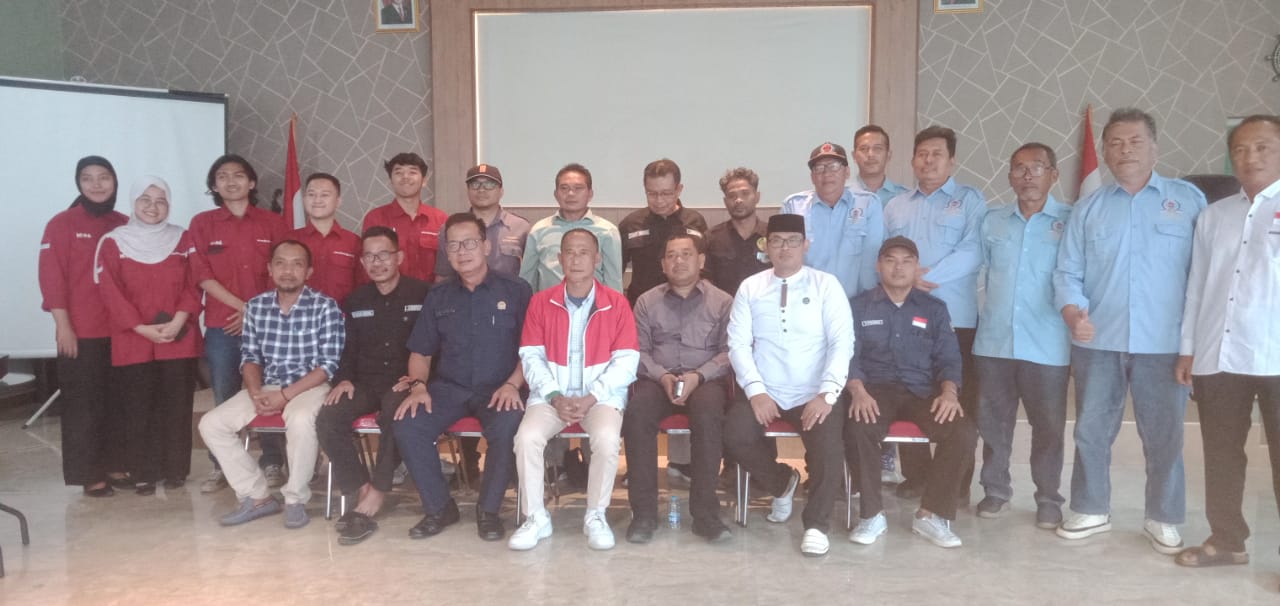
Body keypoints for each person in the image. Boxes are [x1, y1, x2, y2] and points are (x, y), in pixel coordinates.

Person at [1053, 107, 1206, 554]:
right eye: (1115, 143)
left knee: (1164, 436)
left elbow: (1204, 275)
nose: (1125, 150)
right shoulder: (1089, 207)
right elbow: (1067, 272)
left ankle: (1163, 517)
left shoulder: (1188, 201)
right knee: (1091, 430)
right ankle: (1090, 508)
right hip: (1099, 340)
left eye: (1135, 141)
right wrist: (1074, 315)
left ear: (1154, 147)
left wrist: (1194, 343)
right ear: (1104, 152)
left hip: (1165, 343)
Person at [1175, 114, 1280, 568]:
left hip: (1275, 354)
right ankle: (1227, 540)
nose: (1250, 156)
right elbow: (1197, 285)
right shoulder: (1214, 216)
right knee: (1220, 455)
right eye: (1240, 148)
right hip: (1220, 353)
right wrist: (1187, 347)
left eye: (1262, 147)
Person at [392, 213, 532, 542]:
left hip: (501, 387)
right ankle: (440, 507)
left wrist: (513, 384)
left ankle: (489, 510)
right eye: (453, 245)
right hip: (449, 388)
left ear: (486, 246)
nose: (462, 251)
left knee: (508, 425)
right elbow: (420, 352)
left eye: (469, 243)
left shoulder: (516, 290)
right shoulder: (438, 295)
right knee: (408, 424)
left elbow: (532, 350)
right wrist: (418, 387)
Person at [723, 214, 854, 557]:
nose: (784, 248)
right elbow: (738, 344)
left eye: (793, 241)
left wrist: (827, 394)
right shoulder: (751, 287)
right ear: (765, 246)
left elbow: (842, 342)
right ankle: (782, 482)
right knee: (734, 435)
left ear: (805, 245)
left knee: (828, 449)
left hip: (814, 391)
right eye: (776, 241)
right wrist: (756, 391)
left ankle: (816, 525)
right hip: (766, 389)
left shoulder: (826, 285)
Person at [198, 240, 345, 530]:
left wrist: (285, 396)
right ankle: (257, 496)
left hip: (310, 387)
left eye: (296, 264)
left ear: (309, 271)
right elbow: (251, 357)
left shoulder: (325, 307)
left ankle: (295, 499)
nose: (288, 271)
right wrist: (255, 392)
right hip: (267, 386)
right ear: (270, 268)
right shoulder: (256, 306)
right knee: (211, 424)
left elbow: (328, 366)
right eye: (281, 263)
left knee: (300, 419)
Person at [508, 228, 638, 551]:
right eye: (569, 252)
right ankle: (535, 517)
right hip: (552, 397)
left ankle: (596, 515)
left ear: (597, 259)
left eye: (584, 253)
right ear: (559, 258)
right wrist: (555, 396)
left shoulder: (617, 304)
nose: (576, 259)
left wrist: (593, 396)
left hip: (600, 398)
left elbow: (626, 362)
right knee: (526, 438)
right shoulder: (541, 302)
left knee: (607, 439)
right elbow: (531, 357)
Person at [845, 236, 976, 548]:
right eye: (891, 260)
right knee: (857, 427)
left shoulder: (934, 309)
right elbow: (847, 355)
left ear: (917, 267)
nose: (898, 267)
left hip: (921, 392)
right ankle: (871, 515)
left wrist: (949, 393)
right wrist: (858, 391)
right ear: (878, 266)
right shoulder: (858, 306)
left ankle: (931, 514)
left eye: (907, 261)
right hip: (875, 391)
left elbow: (949, 358)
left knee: (963, 431)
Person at [883, 126, 986, 502]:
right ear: (912, 160)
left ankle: (956, 484)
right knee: (909, 393)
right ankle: (917, 476)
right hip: (904, 318)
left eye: (937, 154)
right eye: (922, 154)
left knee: (957, 400)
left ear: (951, 160)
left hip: (956, 319)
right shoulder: (896, 205)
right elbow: (884, 253)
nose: (928, 160)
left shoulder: (970, 200)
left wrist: (924, 277)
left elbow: (973, 251)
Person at [972, 143, 1071, 528]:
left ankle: (1048, 498)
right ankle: (995, 491)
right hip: (995, 341)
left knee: (1048, 428)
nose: (1027, 175)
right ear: (1010, 176)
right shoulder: (992, 221)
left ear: (1054, 175)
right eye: (1019, 168)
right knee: (994, 425)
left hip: (1048, 344)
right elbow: (975, 269)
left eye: (1037, 167)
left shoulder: (1070, 221)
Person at [314, 226, 429, 545]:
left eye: (384, 255)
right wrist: (343, 379)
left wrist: (421, 380)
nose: (377, 262)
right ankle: (361, 487)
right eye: (369, 257)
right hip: (364, 382)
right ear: (362, 262)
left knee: (396, 413)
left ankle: (378, 491)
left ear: (399, 257)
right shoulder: (355, 300)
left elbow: (434, 343)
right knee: (328, 417)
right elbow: (347, 347)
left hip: (404, 381)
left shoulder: (423, 294)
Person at [622, 233, 734, 544]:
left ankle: (705, 515)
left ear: (701, 260)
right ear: (662, 264)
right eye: (671, 255)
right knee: (637, 413)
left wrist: (698, 376)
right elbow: (637, 351)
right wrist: (662, 377)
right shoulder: (646, 301)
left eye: (686, 254)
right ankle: (644, 514)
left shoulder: (723, 301)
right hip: (658, 379)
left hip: (704, 380)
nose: (679, 261)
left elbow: (729, 352)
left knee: (709, 414)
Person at [95, 175, 203, 495]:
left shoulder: (183, 238)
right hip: (133, 339)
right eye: (145, 200)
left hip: (178, 336)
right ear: (133, 203)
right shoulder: (113, 241)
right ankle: (143, 472)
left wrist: (179, 319)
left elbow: (195, 282)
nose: (152, 207)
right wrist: (139, 327)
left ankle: (175, 470)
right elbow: (109, 291)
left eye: (160, 201)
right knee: (137, 407)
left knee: (177, 406)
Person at [189, 154, 289, 492]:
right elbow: (201, 274)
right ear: (214, 185)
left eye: (238, 175)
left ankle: (272, 461)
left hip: (270, 326)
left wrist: (254, 313)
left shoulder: (272, 223)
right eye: (222, 176)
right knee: (225, 394)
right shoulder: (202, 224)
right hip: (223, 325)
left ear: (252, 182)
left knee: (268, 392)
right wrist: (242, 308)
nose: (231, 181)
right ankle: (222, 466)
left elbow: (284, 272)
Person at [38, 155, 129, 497]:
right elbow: (52, 278)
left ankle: (117, 463)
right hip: (81, 332)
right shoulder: (61, 223)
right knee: (83, 406)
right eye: (87, 178)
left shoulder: (124, 223)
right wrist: (63, 326)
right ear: (78, 183)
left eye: (103, 177)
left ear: (114, 181)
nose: (96, 184)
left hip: (121, 332)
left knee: (117, 401)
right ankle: (91, 474)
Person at [781, 141, 884, 299]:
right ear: (812, 177)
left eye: (834, 167)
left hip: (855, 302)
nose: (827, 174)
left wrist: (869, 303)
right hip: (807, 301)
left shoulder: (868, 204)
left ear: (847, 172)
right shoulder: (794, 206)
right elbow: (786, 260)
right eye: (819, 168)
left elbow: (870, 262)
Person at [518, 163, 623, 292]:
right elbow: (527, 280)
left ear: (590, 194)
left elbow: (613, 281)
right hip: (548, 303)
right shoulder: (539, 230)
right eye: (564, 188)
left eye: (578, 188)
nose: (571, 193)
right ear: (556, 194)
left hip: (594, 304)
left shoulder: (607, 231)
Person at [618, 159, 708, 304]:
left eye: (666, 193)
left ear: (679, 189)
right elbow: (616, 273)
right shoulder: (631, 225)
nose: (659, 200)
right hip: (642, 306)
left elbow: (706, 270)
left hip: (688, 305)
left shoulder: (695, 222)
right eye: (652, 194)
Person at [433, 164, 530, 281]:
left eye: (489, 185)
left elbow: (530, 275)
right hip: (464, 292)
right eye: (475, 185)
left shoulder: (521, 227)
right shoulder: (450, 228)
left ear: (501, 191)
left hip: (510, 292)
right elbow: (443, 275)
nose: (481, 190)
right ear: (468, 191)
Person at [361, 152, 447, 283]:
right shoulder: (375, 218)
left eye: (412, 172)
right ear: (390, 181)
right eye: (398, 172)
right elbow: (368, 264)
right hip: (388, 293)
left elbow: (447, 265)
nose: (405, 177)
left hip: (432, 293)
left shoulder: (440, 219)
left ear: (424, 181)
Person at [290, 173, 361, 305]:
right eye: (311, 194)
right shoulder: (289, 241)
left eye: (324, 195)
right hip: (299, 315)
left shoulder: (354, 242)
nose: (317, 200)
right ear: (304, 200)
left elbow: (362, 287)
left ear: (338, 201)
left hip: (342, 315)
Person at [704, 167, 770, 296]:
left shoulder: (773, 236)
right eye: (732, 196)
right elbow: (705, 279)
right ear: (725, 202)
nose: (738, 200)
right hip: (725, 306)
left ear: (757, 197)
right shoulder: (711, 238)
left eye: (745, 194)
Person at [851, 124, 908, 206]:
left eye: (877, 148)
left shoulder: (905, 197)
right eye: (863, 149)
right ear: (854, 156)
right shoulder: (841, 195)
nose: (870, 154)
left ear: (888, 155)